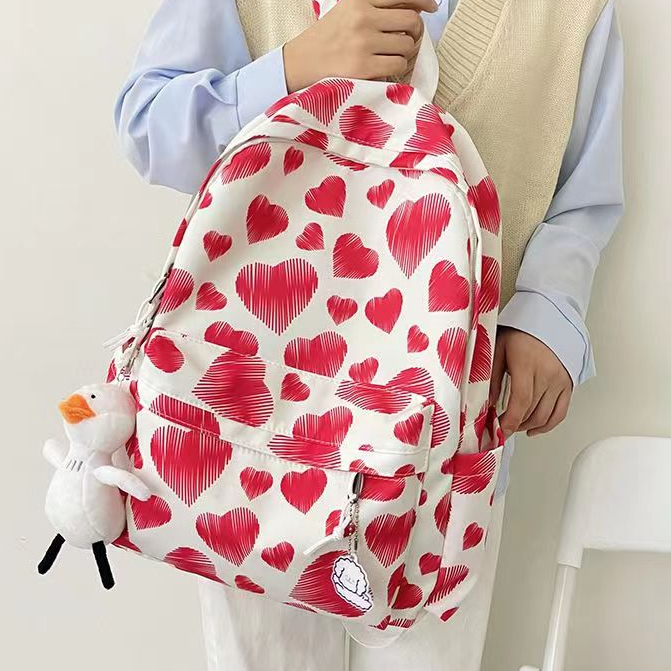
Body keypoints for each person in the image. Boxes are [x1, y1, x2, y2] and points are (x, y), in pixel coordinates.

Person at [115, 1, 624, 669]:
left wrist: (545, 313)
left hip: (442, 435)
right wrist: (290, 72)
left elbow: (583, 192)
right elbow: (148, 124)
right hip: (252, 430)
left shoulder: (575, 11)